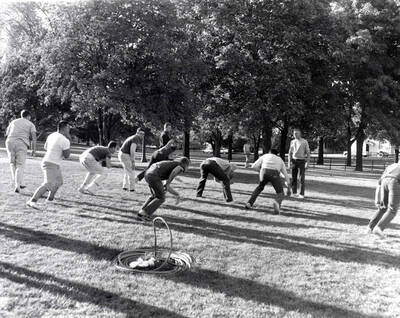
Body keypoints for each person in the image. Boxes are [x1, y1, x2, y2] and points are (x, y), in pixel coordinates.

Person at [26, 121, 70, 209]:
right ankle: (32, 201)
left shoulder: (51, 135)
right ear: (64, 128)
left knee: (59, 182)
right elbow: (67, 155)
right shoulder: (65, 140)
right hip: (51, 163)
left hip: (51, 162)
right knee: (48, 184)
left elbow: (45, 147)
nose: (69, 130)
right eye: (68, 128)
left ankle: (50, 199)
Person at [138, 157, 190, 221]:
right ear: (185, 164)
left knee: (155, 195)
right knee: (161, 198)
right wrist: (169, 185)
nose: (188, 168)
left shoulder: (171, 164)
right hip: (154, 175)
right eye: (188, 166)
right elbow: (174, 171)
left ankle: (141, 212)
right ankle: (144, 213)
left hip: (148, 173)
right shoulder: (180, 166)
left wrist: (175, 193)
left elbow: (166, 186)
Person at [245, 149, 291, 214]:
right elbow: (285, 174)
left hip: (264, 171)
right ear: (276, 154)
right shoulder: (280, 159)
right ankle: (277, 204)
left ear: (269, 152)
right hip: (275, 173)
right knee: (280, 193)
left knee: (259, 188)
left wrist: (260, 171)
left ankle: (249, 203)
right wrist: (289, 187)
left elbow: (253, 166)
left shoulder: (265, 156)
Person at [5, 110, 37, 192]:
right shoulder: (30, 124)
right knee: (20, 165)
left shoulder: (14, 121)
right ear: (28, 116)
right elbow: (34, 137)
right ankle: (17, 185)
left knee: (12, 163)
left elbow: (7, 133)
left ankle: (19, 183)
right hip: (21, 143)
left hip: (10, 141)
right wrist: (33, 150)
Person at [367, 162, 400, 238]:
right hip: (395, 182)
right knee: (392, 210)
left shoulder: (391, 166)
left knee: (383, 207)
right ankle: (379, 228)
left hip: (384, 182)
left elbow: (379, 183)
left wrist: (377, 198)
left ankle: (370, 228)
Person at [288, 128, 310, 198]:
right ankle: (294, 193)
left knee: (301, 179)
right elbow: (289, 153)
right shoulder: (292, 142)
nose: (295, 135)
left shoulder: (304, 141)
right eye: (294, 134)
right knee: (294, 178)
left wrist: (307, 163)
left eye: (296, 133)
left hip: (302, 161)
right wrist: (289, 163)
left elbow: (308, 153)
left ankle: (301, 194)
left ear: (300, 134)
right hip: (294, 161)